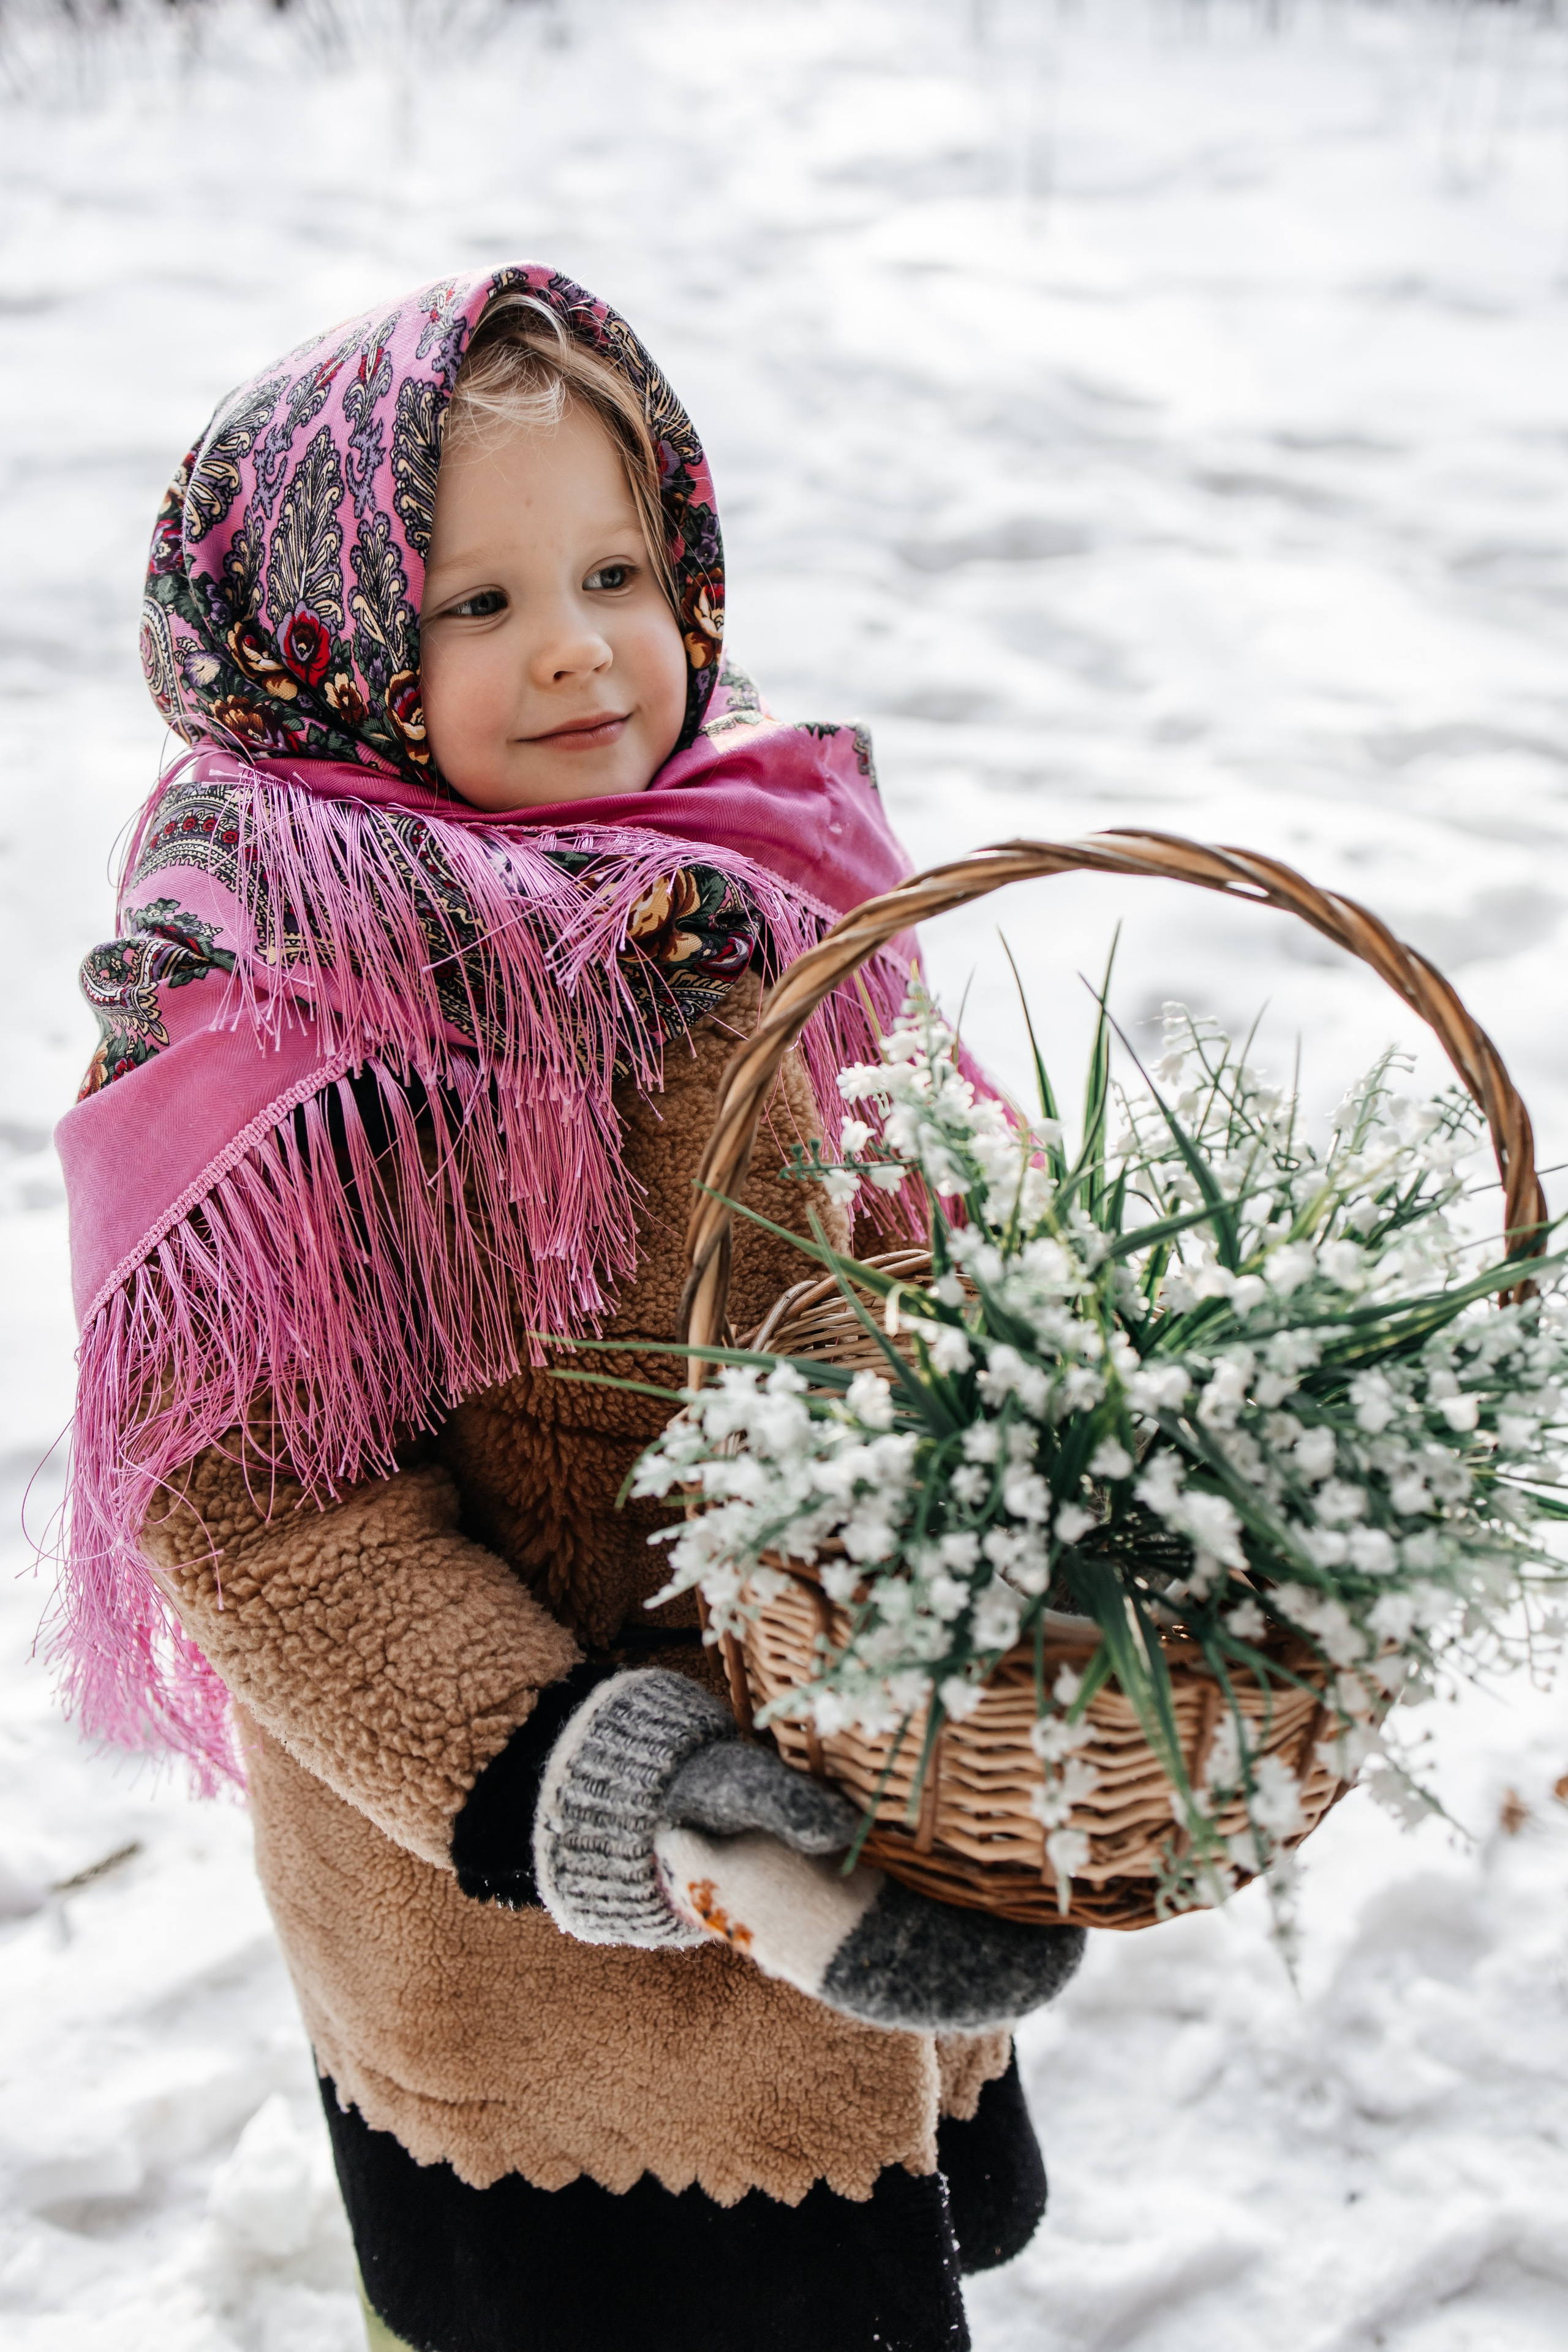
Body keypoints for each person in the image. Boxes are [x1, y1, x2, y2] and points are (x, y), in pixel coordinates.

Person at [56, 265, 1084, 2352]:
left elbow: (902, 1223)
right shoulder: (283, 1022)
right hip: (540, 1963)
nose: (578, 646)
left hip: (854, 1825)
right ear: (322, 651)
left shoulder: (751, 880)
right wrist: (618, 1791)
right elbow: (264, 1518)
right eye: (476, 603)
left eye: (616, 571)